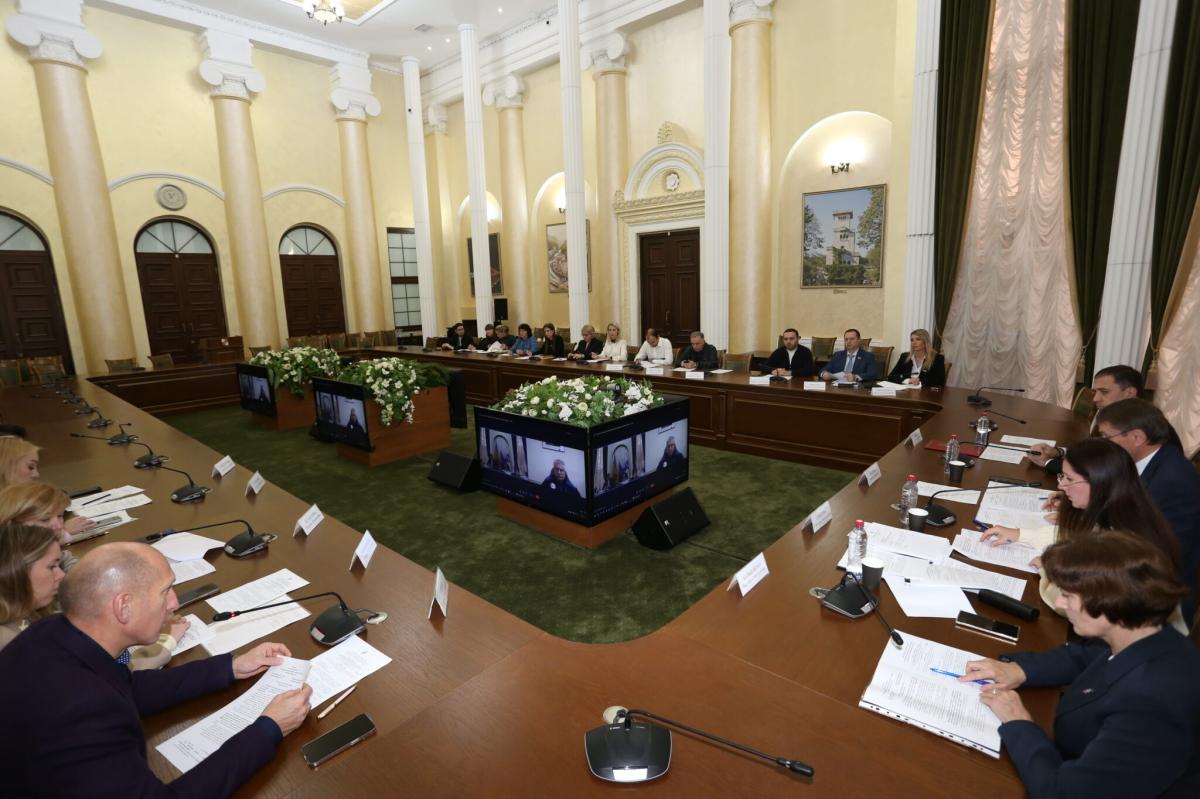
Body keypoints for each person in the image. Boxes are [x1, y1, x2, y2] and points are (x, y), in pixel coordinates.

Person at [0, 542, 312, 797]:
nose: (174, 602)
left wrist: (231, 667)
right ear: (123, 607)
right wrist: (268, 729)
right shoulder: (81, 714)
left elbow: (128, 687)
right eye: (166, 591)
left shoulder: (52, 632)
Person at [959, 531, 1200, 798]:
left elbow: (1064, 793)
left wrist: (1019, 722)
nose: (1060, 603)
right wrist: (1020, 669)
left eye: (1067, 595)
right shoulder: (1146, 634)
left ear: (1109, 603)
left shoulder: (1151, 706)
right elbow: (1085, 656)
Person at [979, 438, 1187, 632]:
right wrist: (1022, 535)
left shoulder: (1125, 541)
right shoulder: (1122, 509)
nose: (1061, 485)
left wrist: (1048, 571)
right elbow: (1075, 539)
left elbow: (1072, 604)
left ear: (1100, 482)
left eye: (1069, 479)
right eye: (1063, 476)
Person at [1095, 398, 1200, 621]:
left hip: (1158, 596)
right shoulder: (1149, 459)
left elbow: (1160, 554)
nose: (1102, 443)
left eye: (1106, 437)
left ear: (1137, 437)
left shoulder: (1173, 480)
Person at [1027, 364, 1143, 471]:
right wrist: (1058, 452)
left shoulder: (1135, 427)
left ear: (1129, 393)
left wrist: (1048, 463)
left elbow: (1102, 470)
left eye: (1104, 392)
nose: (1095, 399)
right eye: (1095, 392)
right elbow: (1095, 452)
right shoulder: (1116, 416)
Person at [0, 524, 63, 652]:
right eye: (52, 567)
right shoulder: (8, 643)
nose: (61, 575)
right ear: (16, 572)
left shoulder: (27, 613)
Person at [0, 481, 94, 557]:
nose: (59, 526)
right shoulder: (13, 566)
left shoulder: (48, 550)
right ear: (12, 526)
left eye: (59, 516)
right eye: (44, 520)